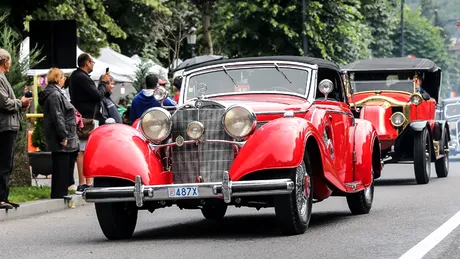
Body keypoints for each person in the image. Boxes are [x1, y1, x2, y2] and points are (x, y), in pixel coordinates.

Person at [69, 53, 110, 194]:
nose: (93, 64)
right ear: (87, 63)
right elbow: (97, 95)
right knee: (83, 150)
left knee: (86, 151)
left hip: (84, 117)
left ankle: (87, 182)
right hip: (87, 118)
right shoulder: (82, 77)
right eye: (92, 62)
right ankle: (84, 183)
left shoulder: (76, 76)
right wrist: (103, 83)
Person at [38, 68, 79, 199]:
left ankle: (60, 193)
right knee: (61, 166)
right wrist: (63, 136)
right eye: (62, 77)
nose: (64, 79)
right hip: (61, 136)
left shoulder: (56, 93)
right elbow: (58, 117)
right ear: (57, 79)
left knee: (62, 165)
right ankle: (60, 194)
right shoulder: (55, 95)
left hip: (62, 134)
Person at [0, 49, 33, 209]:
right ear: (5, 61)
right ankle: (1, 198)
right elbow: (4, 103)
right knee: (4, 163)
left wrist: (21, 104)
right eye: (10, 61)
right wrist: (20, 102)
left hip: (8, 126)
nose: (11, 64)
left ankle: (4, 197)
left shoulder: (2, 78)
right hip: (4, 126)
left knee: (7, 163)